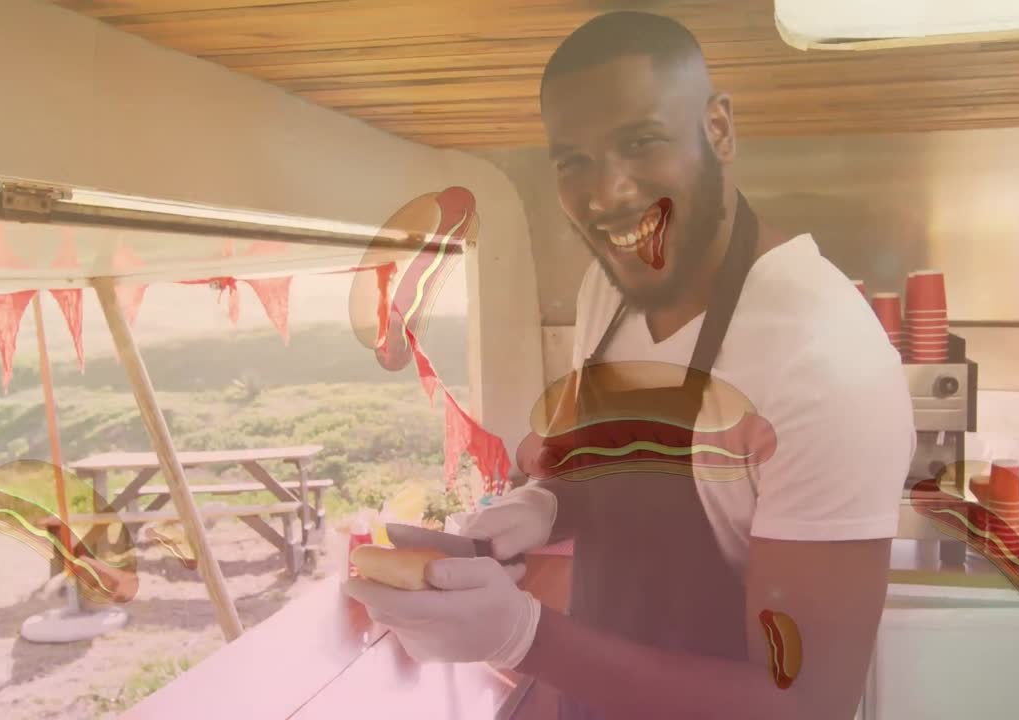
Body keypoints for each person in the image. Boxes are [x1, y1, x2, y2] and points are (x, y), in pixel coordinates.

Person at [345, 11, 915, 719]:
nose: (606, 192)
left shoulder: (822, 361)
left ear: (719, 129)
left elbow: (805, 704)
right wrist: (544, 506)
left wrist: (522, 636)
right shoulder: (611, 287)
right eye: (573, 161)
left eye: (640, 142)